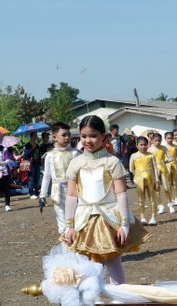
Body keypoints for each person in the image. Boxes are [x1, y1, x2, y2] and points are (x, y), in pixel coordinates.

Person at [64, 115, 147, 285]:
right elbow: (71, 195)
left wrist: (124, 224)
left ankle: (118, 297)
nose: (88, 140)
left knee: (113, 261)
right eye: (84, 136)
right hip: (84, 220)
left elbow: (121, 194)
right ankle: (95, 297)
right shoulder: (76, 163)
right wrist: (69, 225)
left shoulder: (112, 162)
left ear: (104, 136)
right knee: (88, 264)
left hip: (109, 218)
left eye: (93, 136)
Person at [39, 122, 80, 236]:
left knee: (76, 219)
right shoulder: (50, 155)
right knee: (62, 220)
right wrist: (42, 195)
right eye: (63, 135)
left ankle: (77, 245)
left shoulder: (76, 153)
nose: (67, 137)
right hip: (57, 190)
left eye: (69, 134)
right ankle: (66, 245)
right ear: (55, 137)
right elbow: (47, 176)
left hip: (75, 189)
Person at [129, 136, 160, 225]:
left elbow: (155, 168)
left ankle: (153, 217)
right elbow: (131, 169)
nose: (143, 147)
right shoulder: (134, 156)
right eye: (141, 145)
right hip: (139, 181)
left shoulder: (151, 155)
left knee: (152, 198)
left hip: (151, 179)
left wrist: (157, 180)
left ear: (148, 145)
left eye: (145, 145)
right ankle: (142, 217)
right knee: (141, 199)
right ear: (137, 145)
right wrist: (137, 176)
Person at [148, 133, 176, 215]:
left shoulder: (164, 148)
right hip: (154, 170)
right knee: (157, 189)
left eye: (159, 141)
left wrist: (165, 162)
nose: (157, 142)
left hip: (163, 169)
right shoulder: (150, 150)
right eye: (156, 141)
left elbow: (171, 157)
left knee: (166, 187)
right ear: (152, 141)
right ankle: (160, 206)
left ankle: (170, 204)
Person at [23, 131, 43, 199]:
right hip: (31, 164)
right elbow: (26, 155)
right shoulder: (27, 145)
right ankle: (31, 193)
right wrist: (32, 149)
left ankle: (37, 192)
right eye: (34, 135)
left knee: (37, 178)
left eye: (36, 135)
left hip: (37, 163)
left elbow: (39, 154)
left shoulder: (37, 145)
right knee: (31, 179)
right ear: (31, 137)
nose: (35, 137)